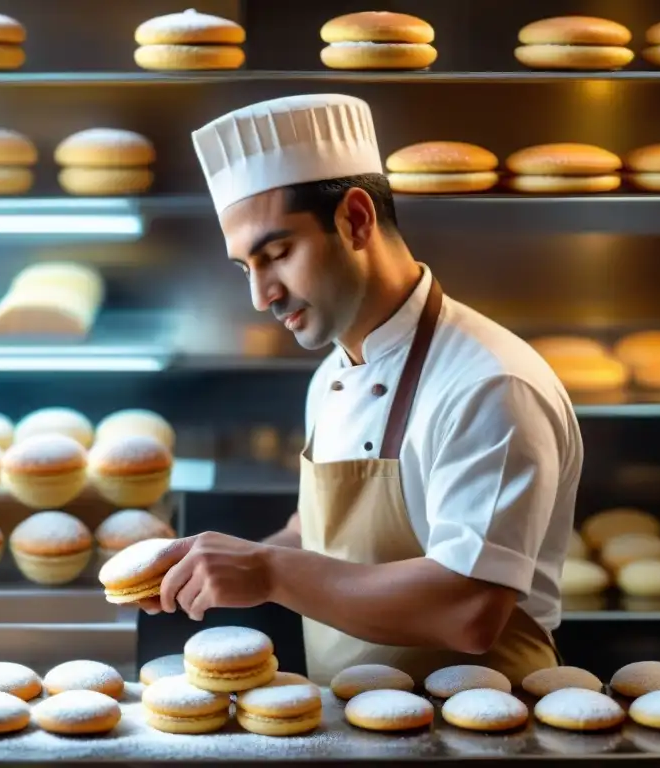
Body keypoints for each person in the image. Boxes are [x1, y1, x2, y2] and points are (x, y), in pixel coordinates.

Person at [136, 94, 583, 686]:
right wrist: (210, 567)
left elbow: (469, 610)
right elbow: (315, 534)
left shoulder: (488, 383)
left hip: (482, 735)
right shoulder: (331, 374)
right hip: (351, 731)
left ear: (356, 219)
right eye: (246, 268)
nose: (260, 295)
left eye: (277, 254)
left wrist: (268, 571)